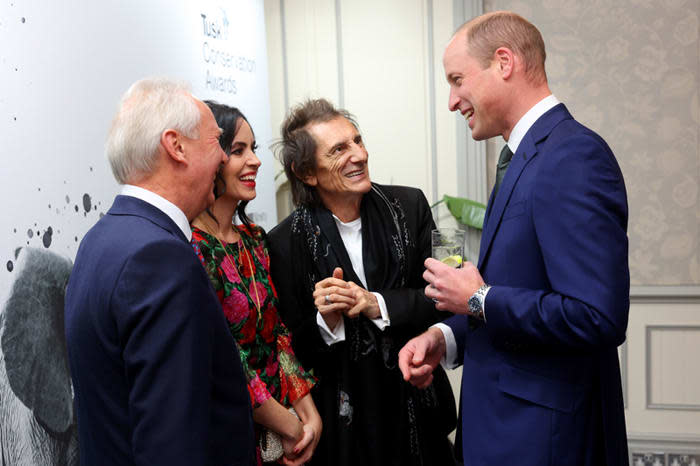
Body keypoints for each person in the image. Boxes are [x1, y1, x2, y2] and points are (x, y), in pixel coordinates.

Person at [398, 11, 630, 466]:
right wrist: (445, 336)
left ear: (504, 62)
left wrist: (479, 299)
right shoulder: (523, 156)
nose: (452, 101)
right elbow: (521, 288)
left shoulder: (572, 156)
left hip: (543, 439)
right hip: (504, 429)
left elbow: (597, 316)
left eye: (457, 79)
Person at [64, 78, 255, 466]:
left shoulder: (102, 238)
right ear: (177, 146)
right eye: (216, 140)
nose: (223, 157)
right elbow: (173, 443)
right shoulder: (161, 259)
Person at [267, 98, 457, 466]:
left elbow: (448, 297)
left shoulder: (413, 205)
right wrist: (328, 321)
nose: (359, 154)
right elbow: (289, 349)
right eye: (340, 149)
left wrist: (377, 303)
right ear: (307, 173)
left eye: (357, 140)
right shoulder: (281, 243)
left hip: (418, 412)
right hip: (342, 433)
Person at [190, 101, 322, 466]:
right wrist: (289, 425)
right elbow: (226, 356)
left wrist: (309, 415)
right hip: (230, 434)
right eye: (238, 150)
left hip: (282, 431)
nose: (256, 161)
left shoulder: (255, 239)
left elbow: (278, 333)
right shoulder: (191, 249)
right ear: (211, 158)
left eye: (253, 149)